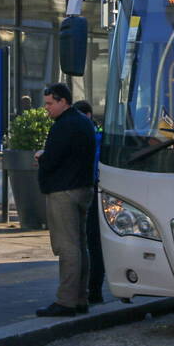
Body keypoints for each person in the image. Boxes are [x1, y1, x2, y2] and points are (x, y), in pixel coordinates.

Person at [34, 83, 96, 317]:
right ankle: (81, 297)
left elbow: (53, 159)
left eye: (50, 103)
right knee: (80, 245)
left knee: (67, 247)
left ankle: (66, 301)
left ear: (63, 101)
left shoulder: (64, 125)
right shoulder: (83, 121)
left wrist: (41, 157)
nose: (46, 108)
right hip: (83, 187)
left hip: (64, 191)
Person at [73, 100, 105, 304]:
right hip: (92, 187)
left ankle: (92, 289)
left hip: (91, 188)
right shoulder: (98, 136)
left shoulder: (95, 137)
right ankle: (93, 290)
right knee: (92, 242)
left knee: (90, 240)